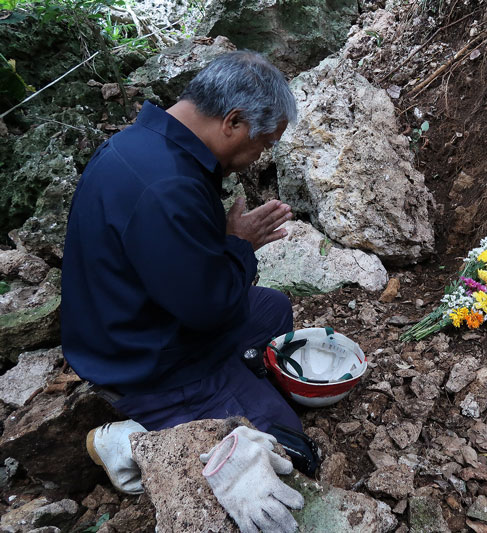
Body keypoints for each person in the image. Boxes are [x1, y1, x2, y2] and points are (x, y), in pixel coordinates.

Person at [61, 51, 308, 525]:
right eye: (264, 143)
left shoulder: (145, 144)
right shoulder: (168, 186)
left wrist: (226, 241)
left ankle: (222, 395)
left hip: (136, 319)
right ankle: (136, 438)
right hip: (147, 360)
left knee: (273, 311)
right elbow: (208, 309)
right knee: (286, 442)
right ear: (233, 122)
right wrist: (238, 245)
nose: (260, 157)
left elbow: (171, 257)